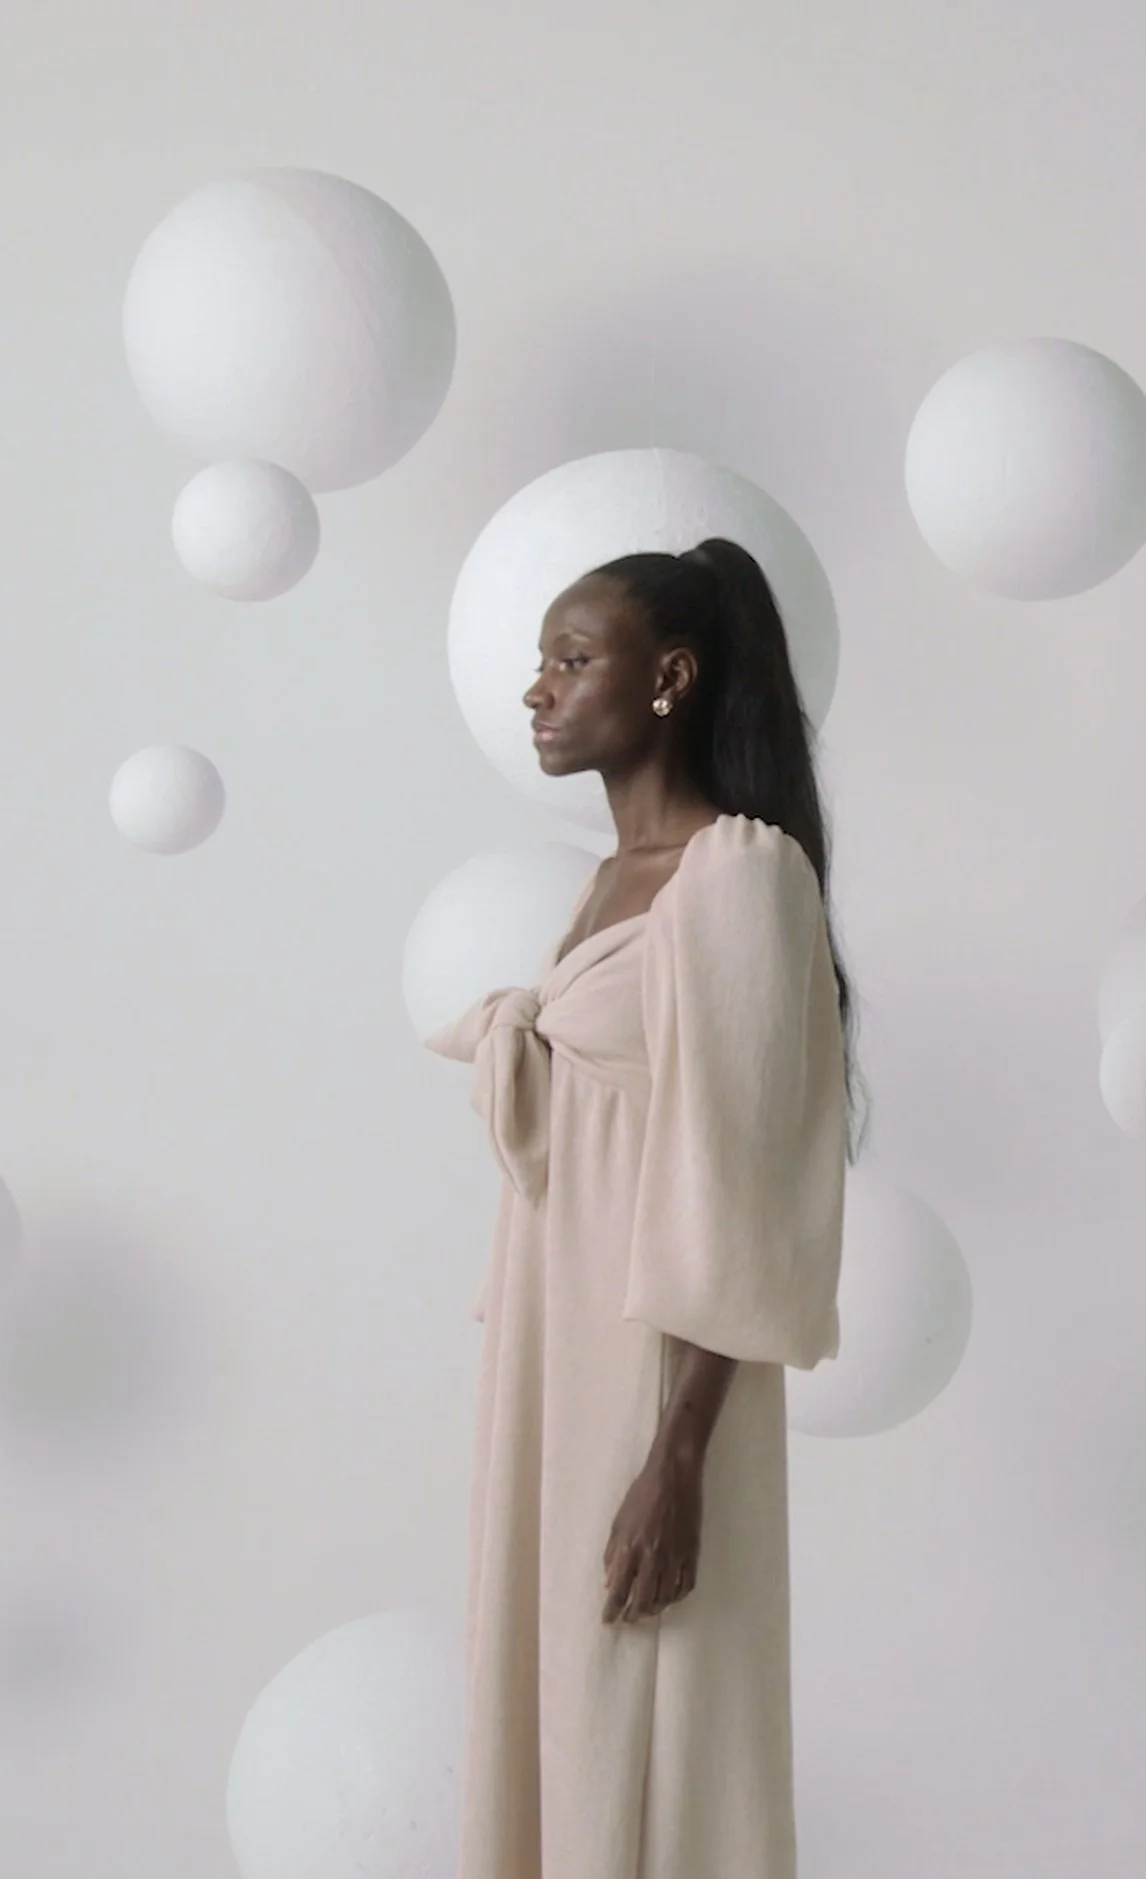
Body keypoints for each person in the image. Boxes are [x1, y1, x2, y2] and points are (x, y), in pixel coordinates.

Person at [426, 538, 864, 1879]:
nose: (538, 691)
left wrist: (677, 1461)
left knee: (646, 1722)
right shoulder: (608, 883)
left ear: (669, 678)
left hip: (658, 1383)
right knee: (559, 1707)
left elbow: (748, 1191)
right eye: (539, 662)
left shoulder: (738, 875)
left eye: (572, 658)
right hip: (555, 1363)